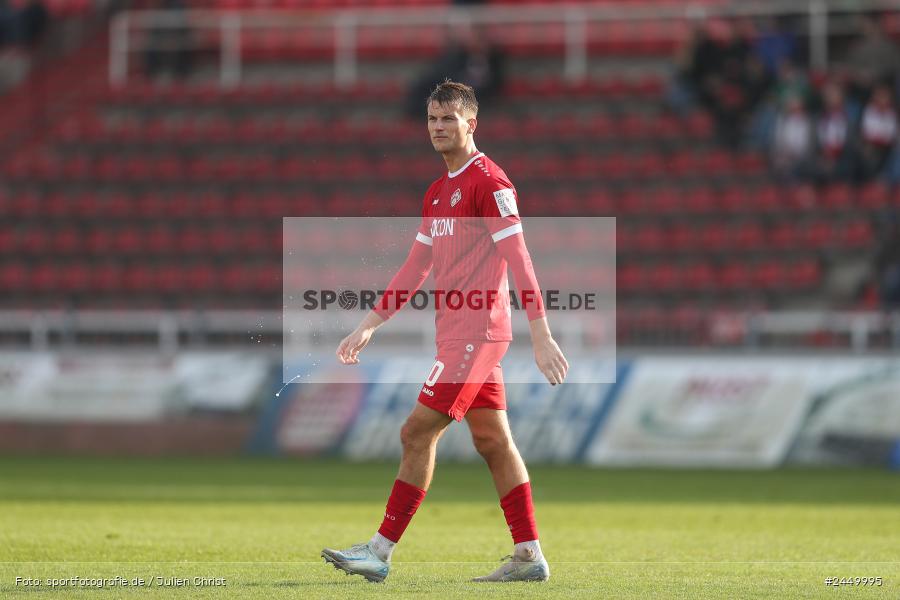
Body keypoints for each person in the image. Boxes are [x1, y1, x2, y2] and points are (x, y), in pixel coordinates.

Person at [321, 80, 568, 583]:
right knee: (493, 442)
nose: (438, 127)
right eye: (432, 119)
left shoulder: (490, 183)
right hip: (458, 333)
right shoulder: (437, 192)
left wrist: (541, 333)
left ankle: (379, 551)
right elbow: (416, 267)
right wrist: (369, 324)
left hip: (478, 333)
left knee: (415, 431)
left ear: (471, 124)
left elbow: (519, 258)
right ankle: (528, 556)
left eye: (448, 119)